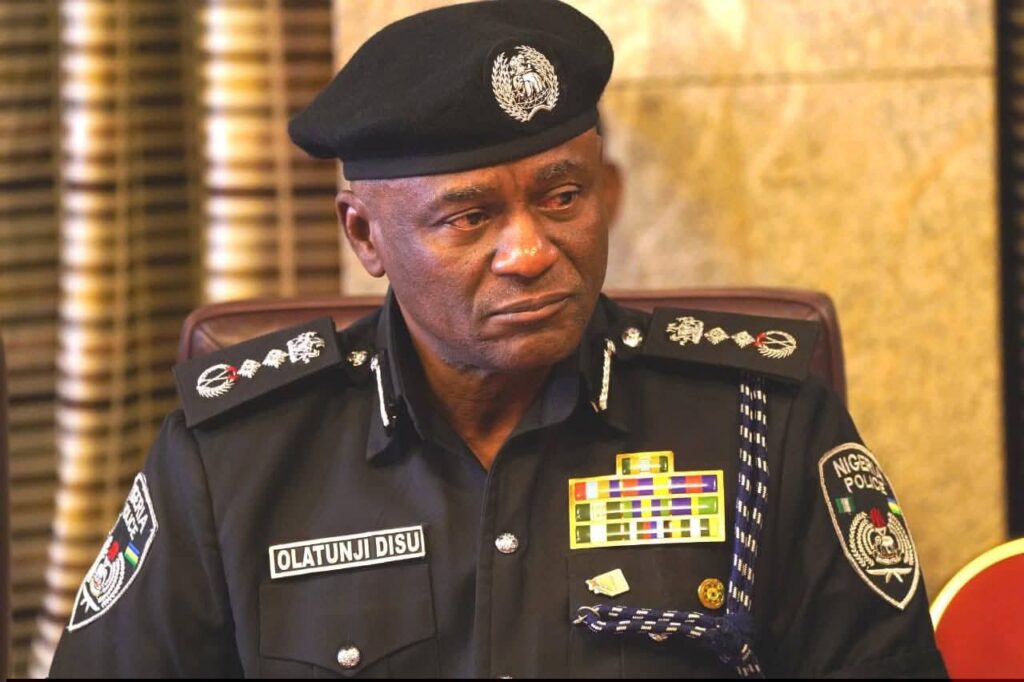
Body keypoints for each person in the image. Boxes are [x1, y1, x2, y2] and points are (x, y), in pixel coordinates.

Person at [48, 1, 946, 677]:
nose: (531, 251)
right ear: (364, 236)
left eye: (563, 197)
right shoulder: (234, 459)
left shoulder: (766, 422)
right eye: (469, 217)